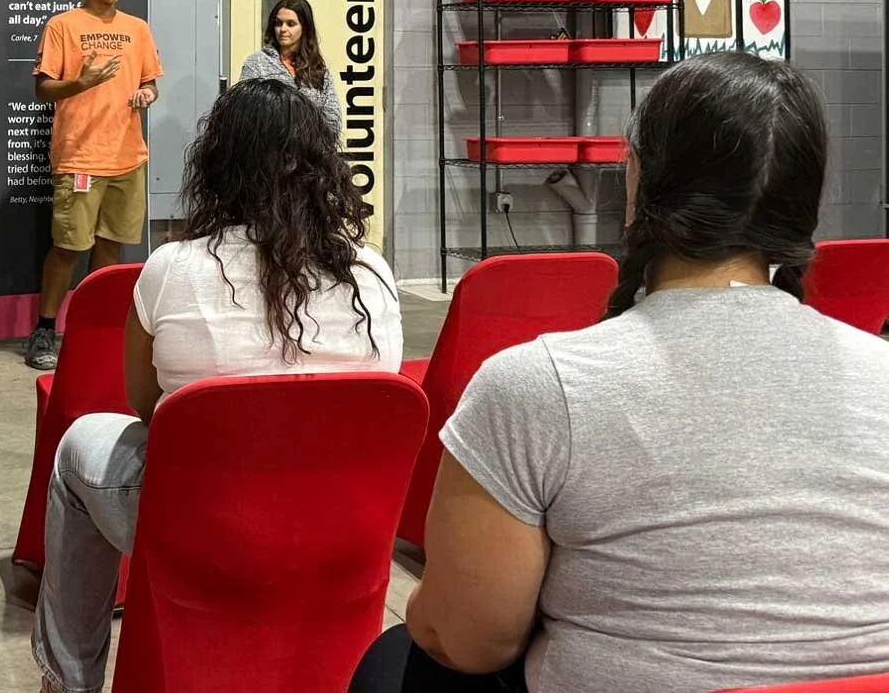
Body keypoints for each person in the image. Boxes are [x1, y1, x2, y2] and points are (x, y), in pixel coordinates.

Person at [349, 52, 889, 693]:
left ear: (636, 180)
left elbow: (465, 639)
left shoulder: (537, 388)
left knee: (397, 660)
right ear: (806, 205)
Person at [31, 78, 404, 693]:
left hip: (205, 526)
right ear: (321, 167)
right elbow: (383, 394)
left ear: (217, 165)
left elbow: (147, 407)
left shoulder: (172, 268)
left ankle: (68, 683)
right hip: (343, 524)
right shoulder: (372, 271)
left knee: (78, 446)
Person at [25, 0, 164, 370]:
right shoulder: (63, 26)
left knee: (111, 248)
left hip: (128, 156)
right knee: (68, 246)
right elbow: (42, 87)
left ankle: (97, 330)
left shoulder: (138, 28)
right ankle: (45, 329)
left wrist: (146, 93)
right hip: (81, 156)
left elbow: (151, 83)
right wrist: (81, 84)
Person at [238, 0, 340, 136]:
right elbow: (246, 112)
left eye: (291, 24)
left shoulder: (317, 68)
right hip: (268, 151)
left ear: (304, 28)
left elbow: (333, 121)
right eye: (278, 23)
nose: (282, 29)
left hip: (311, 153)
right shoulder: (256, 63)